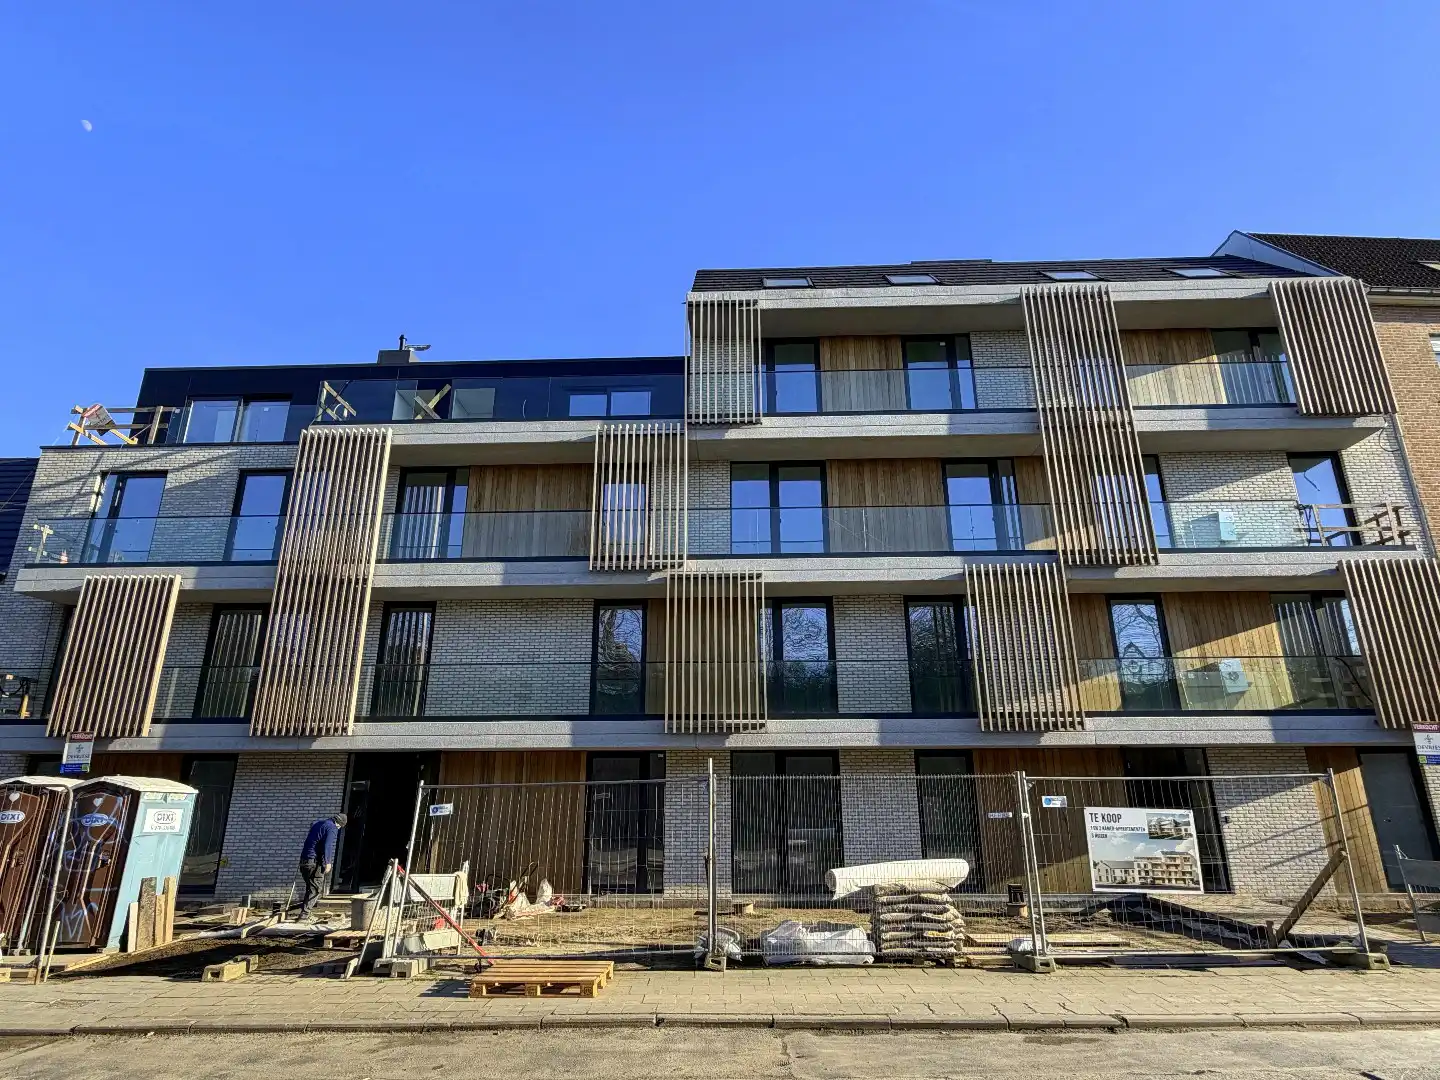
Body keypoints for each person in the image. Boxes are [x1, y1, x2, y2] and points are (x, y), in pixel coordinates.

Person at [296, 813, 347, 919]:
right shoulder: (332, 827)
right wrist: (328, 862)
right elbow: (327, 846)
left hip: (304, 861)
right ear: (339, 823)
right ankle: (304, 915)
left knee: (311, 888)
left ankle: (305, 912)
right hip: (313, 862)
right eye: (340, 827)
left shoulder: (317, 824)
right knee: (316, 889)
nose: (339, 829)